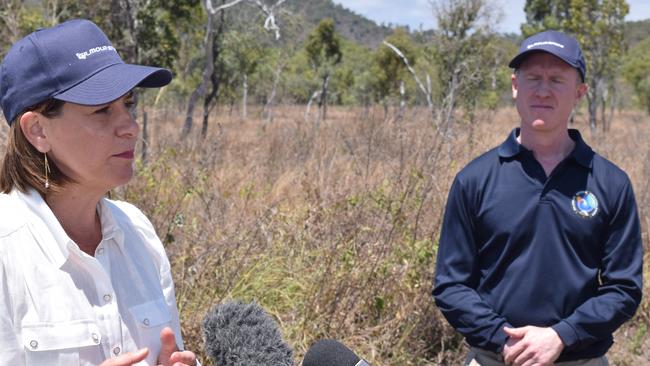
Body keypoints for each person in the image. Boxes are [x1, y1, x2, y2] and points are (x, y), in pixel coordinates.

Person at [432, 30, 643, 366]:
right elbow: (450, 285)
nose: (543, 90)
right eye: (533, 78)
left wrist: (563, 334)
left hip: (581, 360)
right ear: (515, 86)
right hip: (493, 357)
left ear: (579, 92)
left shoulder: (610, 183)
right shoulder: (474, 180)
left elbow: (624, 288)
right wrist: (504, 339)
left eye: (557, 79)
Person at [0, 19, 198, 365]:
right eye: (102, 110)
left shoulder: (139, 233)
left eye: (129, 104)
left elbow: (171, 347)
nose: (130, 127)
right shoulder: (7, 251)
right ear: (38, 131)